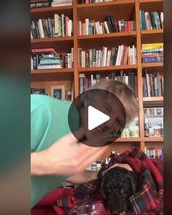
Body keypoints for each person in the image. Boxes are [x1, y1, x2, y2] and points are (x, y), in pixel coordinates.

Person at [31, 80, 138, 208]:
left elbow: (65, 173)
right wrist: (46, 161)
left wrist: (103, 174)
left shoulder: (85, 139)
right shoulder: (42, 108)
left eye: (118, 121)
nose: (109, 123)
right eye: (107, 109)